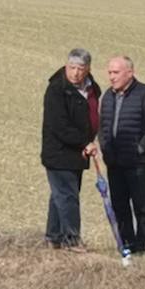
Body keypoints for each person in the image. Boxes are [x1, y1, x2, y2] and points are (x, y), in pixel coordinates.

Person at [98, 56, 145, 256]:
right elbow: (103, 126)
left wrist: (140, 148)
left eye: (116, 72)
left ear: (130, 73)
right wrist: (105, 147)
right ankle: (126, 243)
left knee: (140, 205)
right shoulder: (107, 96)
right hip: (115, 162)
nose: (111, 77)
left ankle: (143, 246)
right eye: (109, 72)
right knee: (119, 205)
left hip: (137, 164)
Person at [40, 48, 101, 252]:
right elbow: (60, 126)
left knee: (61, 195)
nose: (75, 72)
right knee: (67, 196)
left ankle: (53, 237)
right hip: (59, 152)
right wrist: (85, 142)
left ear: (88, 69)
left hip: (77, 152)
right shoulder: (57, 89)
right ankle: (71, 239)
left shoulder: (92, 88)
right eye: (72, 67)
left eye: (80, 68)